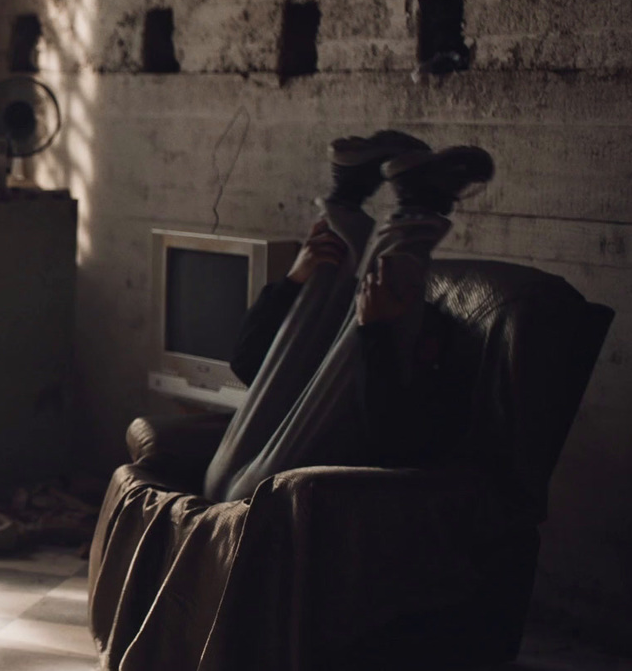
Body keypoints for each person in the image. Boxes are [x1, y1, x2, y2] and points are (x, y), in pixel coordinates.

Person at [203, 131, 493, 503]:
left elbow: (392, 437)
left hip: (258, 489)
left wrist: (374, 333)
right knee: (327, 268)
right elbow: (245, 363)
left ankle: (368, 198)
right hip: (251, 490)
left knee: (354, 297)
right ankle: (392, 200)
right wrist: (295, 281)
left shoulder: (430, 346)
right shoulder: (341, 312)